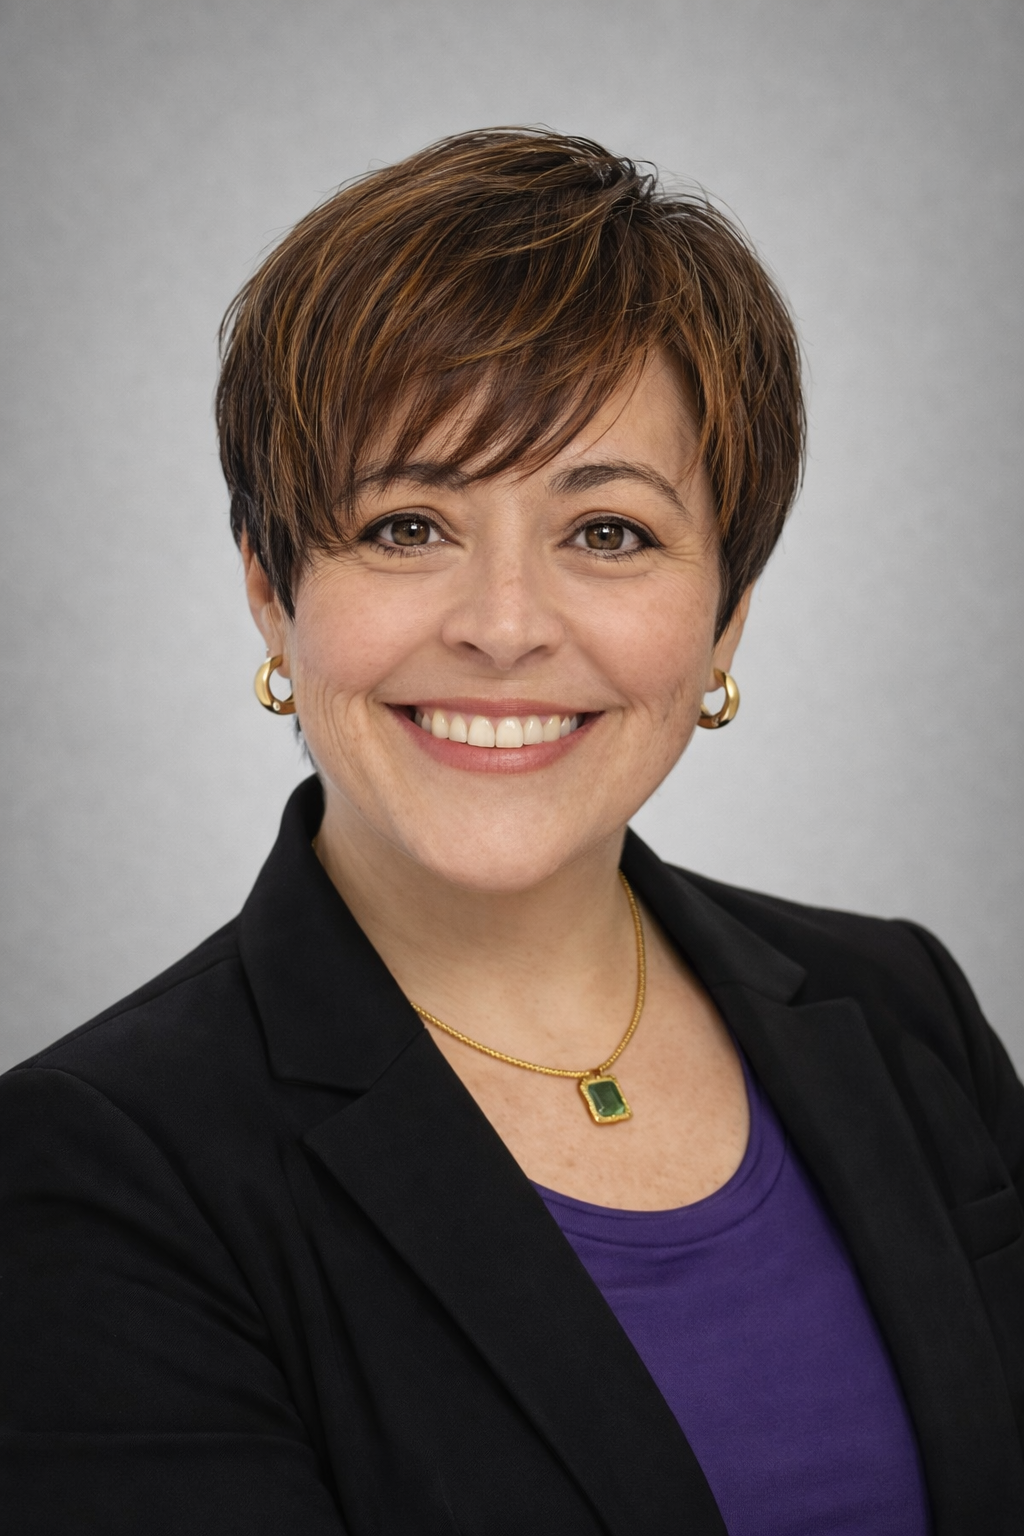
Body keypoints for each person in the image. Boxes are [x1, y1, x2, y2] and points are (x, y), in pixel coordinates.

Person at [1, 128, 1022, 1536]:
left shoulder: (905, 1009)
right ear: (271, 592)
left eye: (607, 533)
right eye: (407, 526)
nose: (502, 626)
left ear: (726, 615)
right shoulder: (97, 1170)